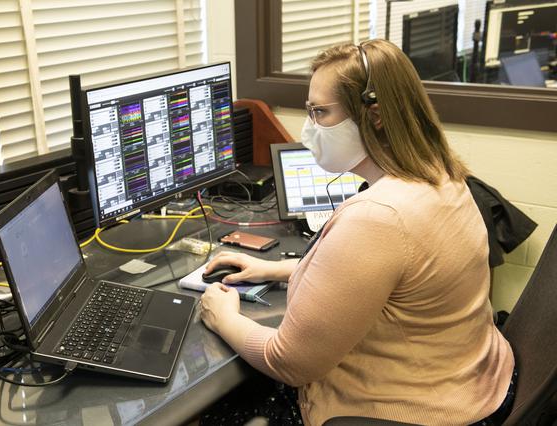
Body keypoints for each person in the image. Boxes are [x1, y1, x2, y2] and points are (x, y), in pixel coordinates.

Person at [199, 39, 515, 426]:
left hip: (410, 413)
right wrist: (278, 269)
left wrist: (223, 316)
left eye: (320, 112)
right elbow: (397, 274)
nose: (309, 127)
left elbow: (290, 362)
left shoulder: (377, 217)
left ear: (376, 116)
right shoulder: (443, 174)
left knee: (215, 407)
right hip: (476, 383)